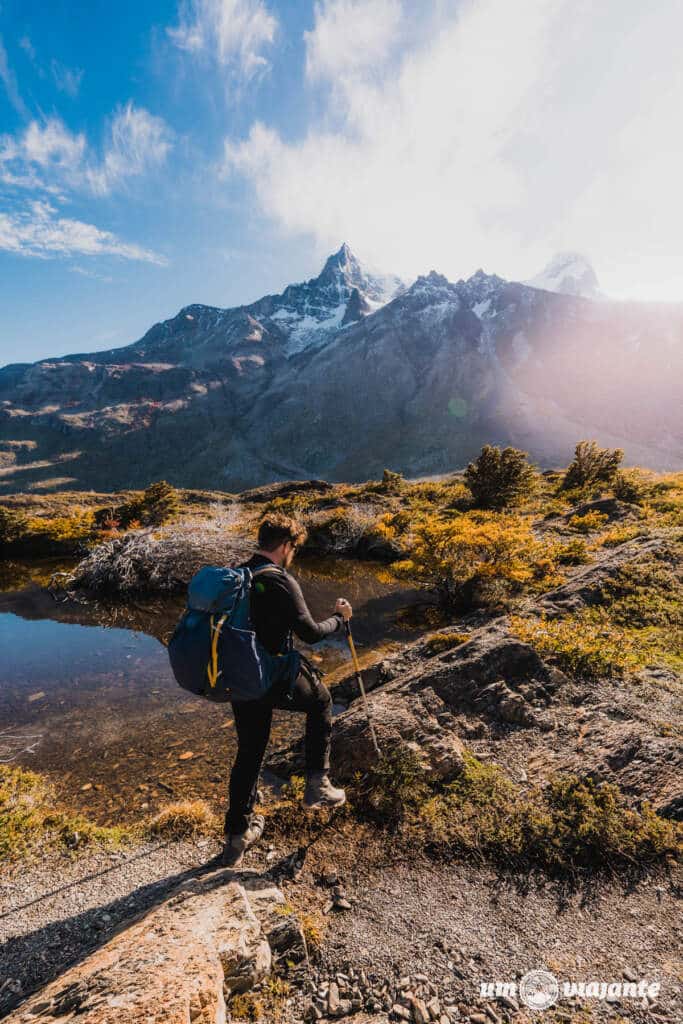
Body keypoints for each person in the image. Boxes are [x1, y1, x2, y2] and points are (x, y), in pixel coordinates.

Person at [222, 512, 352, 867]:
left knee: (250, 751)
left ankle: (236, 838)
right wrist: (340, 619)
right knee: (321, 701)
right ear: (284, 546)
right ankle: (317, 787)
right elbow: (310, 632)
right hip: (272, 674)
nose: (293, 553)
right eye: (293, 547)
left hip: (241, 677)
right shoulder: (279, 580)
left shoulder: (238, 574)